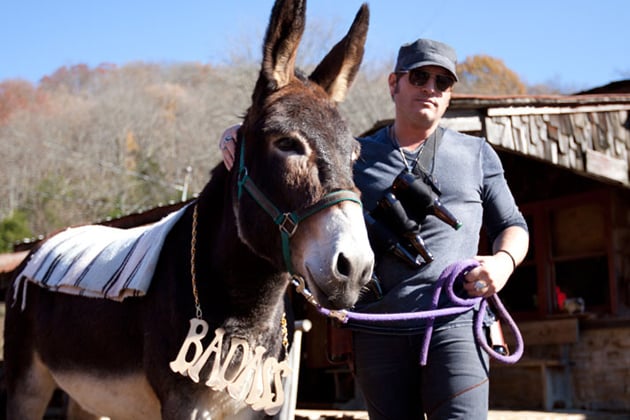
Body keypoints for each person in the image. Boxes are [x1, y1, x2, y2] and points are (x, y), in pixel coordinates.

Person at [218, 38, 529, 420]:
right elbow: (295, 140)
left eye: (442, 82)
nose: (431, 88)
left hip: (456, 324)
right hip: (378, 331)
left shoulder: (477, 154)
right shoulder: (353, 155)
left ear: (450, 94)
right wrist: (244, 130)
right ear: (394, 84)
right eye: (420, 77)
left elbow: (512, 225)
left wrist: (503, 263)